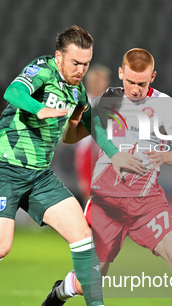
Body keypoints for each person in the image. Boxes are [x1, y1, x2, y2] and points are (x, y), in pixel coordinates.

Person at [0, 26, 144, 306]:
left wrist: (114, 153)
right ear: (60, 57)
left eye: (86, 64)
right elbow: (13, 93)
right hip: (4, 168)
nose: (81, 70)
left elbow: (86, 127)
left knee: (82, 236)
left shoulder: (75, 92)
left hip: (39, 176)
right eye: (75, 63)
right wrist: (40, 108)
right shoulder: (42, 70)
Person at [36, 48, 172, 306]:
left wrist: (163, 155)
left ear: (152, 76)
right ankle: (59, 292)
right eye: (131, 82)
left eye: (142, 83)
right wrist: (75, 117)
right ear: (121, 73)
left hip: (147, 204)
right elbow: (70, 138)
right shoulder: (107, 101)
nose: (136, 90)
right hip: (106, 204)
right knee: (89, 282)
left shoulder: (166, 106)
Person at [74, 64, 111, 204]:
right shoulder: (80, 103)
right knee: (88, 193)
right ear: (87, 82)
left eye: (101, 80)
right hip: (85, 154)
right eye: (95, 80)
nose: (98, 83)